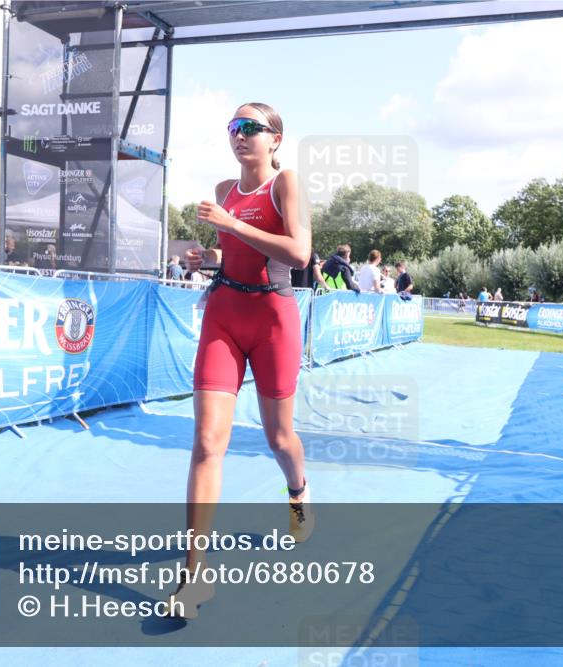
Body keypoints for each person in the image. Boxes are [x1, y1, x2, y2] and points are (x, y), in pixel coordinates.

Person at [177, 102, 313, 619]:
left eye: (252, 127)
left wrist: (232, 224)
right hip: (225, 316)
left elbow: (298, 255)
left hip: (274, 319)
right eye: (234, 127)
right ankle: (195, 577)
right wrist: (207, 257)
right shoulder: (221, 192)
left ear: (275, 138)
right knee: (208, 441)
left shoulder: (286, 184)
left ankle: (298, 490)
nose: (241, 135)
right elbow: (233, 254)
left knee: (280, 438)